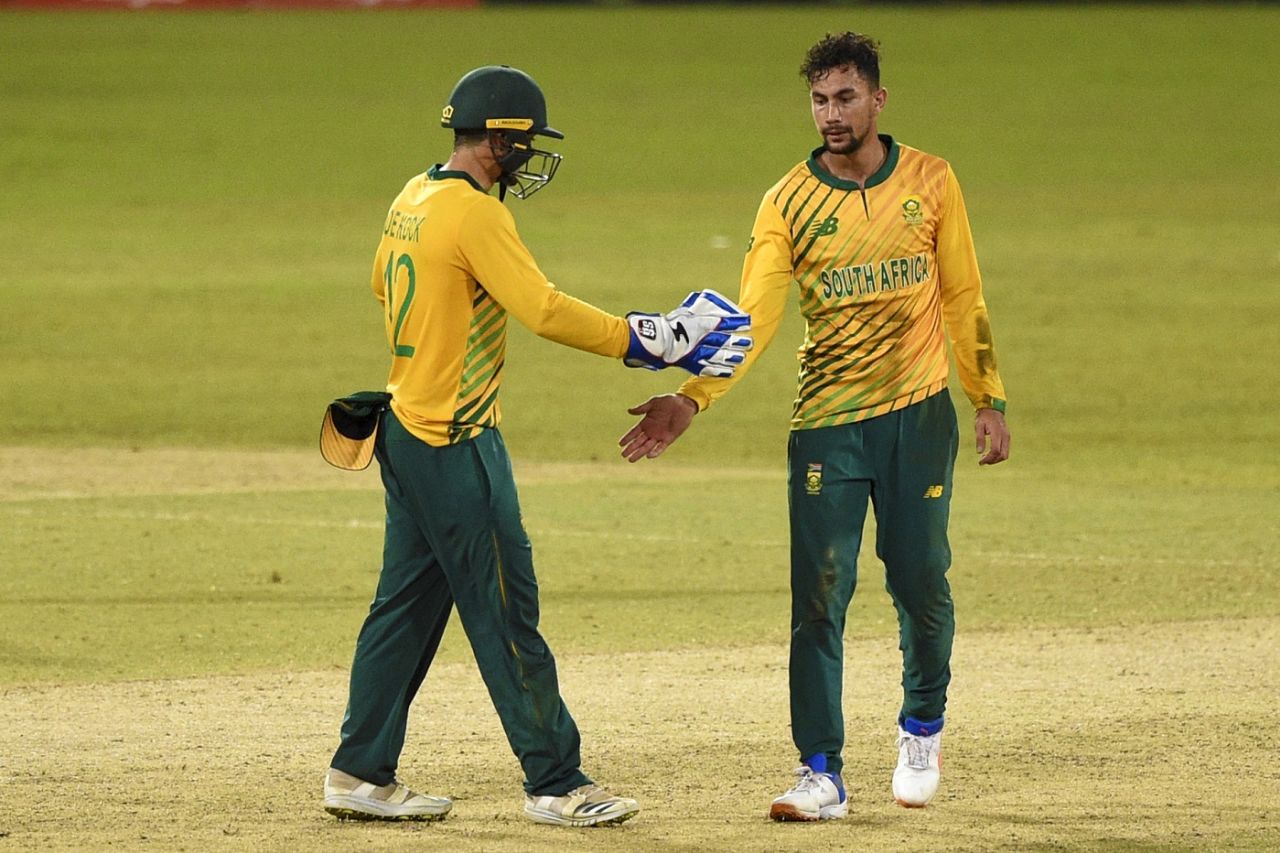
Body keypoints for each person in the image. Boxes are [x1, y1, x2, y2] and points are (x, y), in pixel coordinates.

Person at [322, 65, 752, 827]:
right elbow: (544, 309)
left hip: (403, 429)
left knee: (404, 609)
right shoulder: (476, 215)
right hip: (456, 441)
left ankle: (359, 771)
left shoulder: (410, 198)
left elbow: (382, 291)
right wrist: (652, 338)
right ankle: (555, 781)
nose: (529, 159)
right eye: (524, 144)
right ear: (499, 139)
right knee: (505, 612)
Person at [619, 32, 1010, 820]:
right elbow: (755, 315)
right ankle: (820, 771)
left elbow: (964, 294)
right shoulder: (786, 201)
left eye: (845, 98)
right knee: (819, 598)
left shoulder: (932, 182)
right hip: (828, 424)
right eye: (820, 100)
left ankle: (921, 729)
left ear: (877, 99)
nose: (831, 114)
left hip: (919, 415)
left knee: (920, 580)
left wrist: (987, 396)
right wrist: (692, 396)